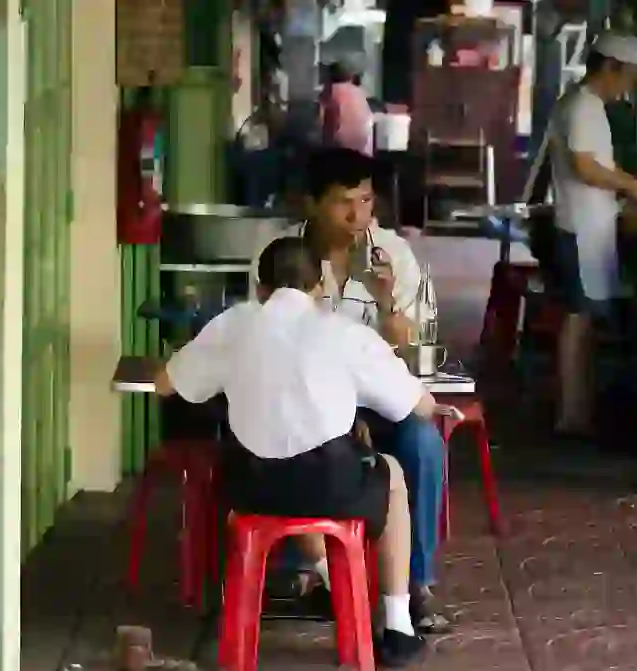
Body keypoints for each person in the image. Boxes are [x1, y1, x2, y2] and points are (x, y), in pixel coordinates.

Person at [155, 237, 437, 665]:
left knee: (288, 459)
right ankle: (397, 623)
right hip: (327, 484)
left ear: (259, 286)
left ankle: (328, 581)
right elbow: (419, 405)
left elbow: (166, 384)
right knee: (387, 472)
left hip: (250, 488)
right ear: (320, 284)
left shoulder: (233, 324)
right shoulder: (343, 332)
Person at [251, 146, 452, 633]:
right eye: (344, 202)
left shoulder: (393, 256)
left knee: (422, 443)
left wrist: (386, 306)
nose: (358, 215)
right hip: (302, 405)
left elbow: (413, 350)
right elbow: (262, 340)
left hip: (377, 402)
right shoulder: (279, 257)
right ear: (312, 204)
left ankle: (415, 584)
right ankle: (296, 572)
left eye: (366, 201)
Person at [547, 33, 637, 437]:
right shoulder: (581, 106)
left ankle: (579, 409)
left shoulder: (584, 104)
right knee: (578, 320)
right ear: (609, 67)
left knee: (584, 320)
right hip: (580, 227)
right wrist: (632, 185)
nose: (626, 88)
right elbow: (585, 167)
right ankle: (571, 415)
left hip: (587, 226)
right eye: (627, 77)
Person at [320, 54, 374, 156]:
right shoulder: (361, 93)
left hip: (340, 149)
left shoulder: (331, 91)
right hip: (363, 149)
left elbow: (325, 121)